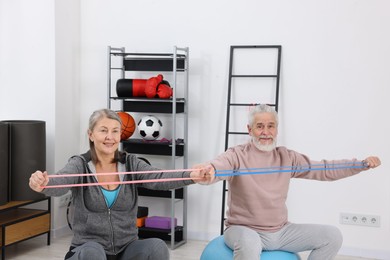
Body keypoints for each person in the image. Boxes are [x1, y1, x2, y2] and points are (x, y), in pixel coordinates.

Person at [201, 104, 381, 260]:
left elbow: (324, 169)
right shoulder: (237, 155)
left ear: (276, 129)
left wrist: (359, 165)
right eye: (260, 126)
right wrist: (208, 172)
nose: (265, 132)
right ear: (250, 130)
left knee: (332, 236)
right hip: (243, 230)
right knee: (250, 243)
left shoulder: (286, 157)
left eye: (271, 126)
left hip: (281, 232)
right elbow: (218, 167)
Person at [29, 108, 211, 260]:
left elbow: (159, 177)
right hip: (87, 250)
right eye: (103, 130)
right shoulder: (80, 164)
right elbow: (62, 180)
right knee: (93, 252)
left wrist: (192, 175)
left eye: (115, 131)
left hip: (126, 248)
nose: (110, 137)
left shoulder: (131, 163)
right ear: (91, 134)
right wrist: (44, 184)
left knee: (157, 247)